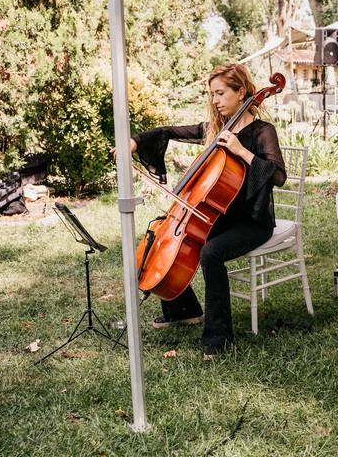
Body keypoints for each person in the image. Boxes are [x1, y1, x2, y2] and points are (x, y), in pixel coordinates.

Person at [114, 63, 287, 358]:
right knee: (169, 238)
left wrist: (241, 151)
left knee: (211, 251)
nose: (215, 100)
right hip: (220, 215)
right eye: (212, 94)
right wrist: (135, 142)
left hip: (252, 220)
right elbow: (169, 131)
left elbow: (278, 176)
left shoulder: (261, 132)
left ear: (241, 91)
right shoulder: (217, 130)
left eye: (220, 93)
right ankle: (184, 310)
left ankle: (219, 337)